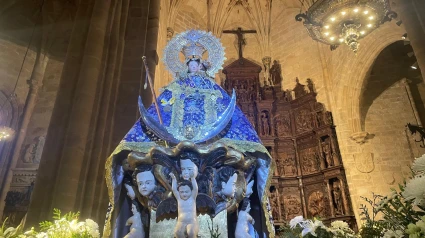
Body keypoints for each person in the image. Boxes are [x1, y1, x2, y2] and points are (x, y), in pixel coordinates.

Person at [104, 30, 274, 237]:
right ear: (185, 65)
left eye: (196, 62)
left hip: (212, 154)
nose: (193, 66)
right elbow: (163, 107)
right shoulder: (175, 88)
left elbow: (228, 114)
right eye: (190, 62)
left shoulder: (213, 89)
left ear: (203, 64)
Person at [169, 172, 199, 238]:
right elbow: (174, 189)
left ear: (191, 191)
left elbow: (195, 189)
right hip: (181, 222)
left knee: (191, 232)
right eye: (182, 192)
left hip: (192, 222)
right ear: (179, 192)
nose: (184, 194)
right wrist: (173, 179)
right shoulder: (179, 198)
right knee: (177, 233)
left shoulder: (192, 197)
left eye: (186, 192)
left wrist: (193, 178)